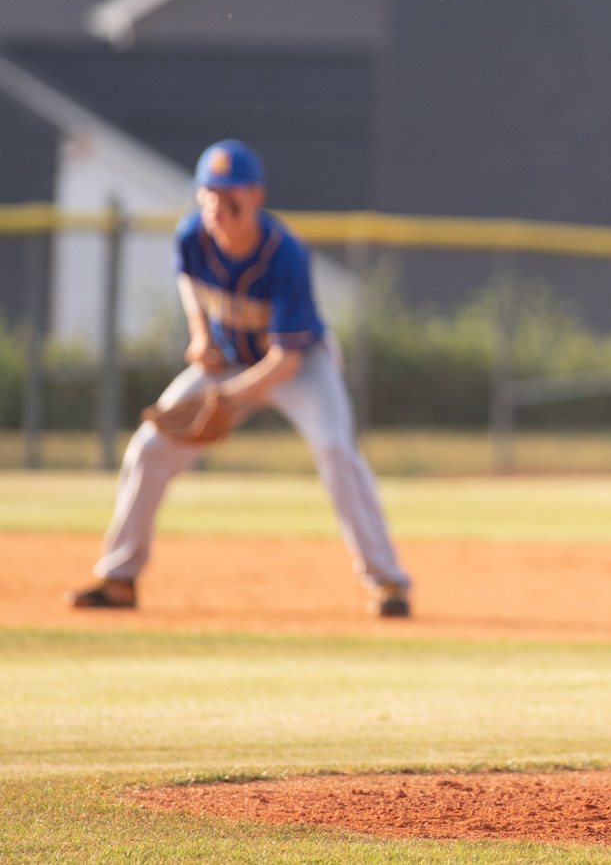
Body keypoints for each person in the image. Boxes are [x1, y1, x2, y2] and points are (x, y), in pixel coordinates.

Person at [65, 139, 414, 618]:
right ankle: (119, 578)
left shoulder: (285, 253)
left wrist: (223, 397)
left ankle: (388, 581)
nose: (215, 205)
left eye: (227, 195)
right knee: (149, 447)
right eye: (207, 193)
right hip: (228, 361)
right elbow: (189, 281)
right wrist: (200, 333)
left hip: (300, 366)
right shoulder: (193, 235)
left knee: (336, 450)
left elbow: (285, 361)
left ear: (254, 198)